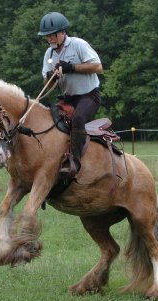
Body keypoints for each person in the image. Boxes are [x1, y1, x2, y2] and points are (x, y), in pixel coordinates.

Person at [38, 12, 103, 179]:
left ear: (62, 32)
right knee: (49, 121)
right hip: (69, 98)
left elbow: (98, 67)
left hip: (89, 96)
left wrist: (71, 68)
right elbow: (47, 84)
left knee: (78, 119)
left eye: (52, 35)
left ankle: (75, 161)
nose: (49, 39)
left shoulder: (78, 44)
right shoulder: (49, 54)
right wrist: (52, 76)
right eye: (47, 36)